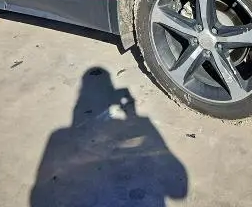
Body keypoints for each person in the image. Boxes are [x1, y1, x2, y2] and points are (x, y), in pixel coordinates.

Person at [30, 67, 188, 207]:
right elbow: (179, 190)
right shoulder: (59, 136)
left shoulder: (58, 136)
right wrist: (132, 116)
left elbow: (39, 197)